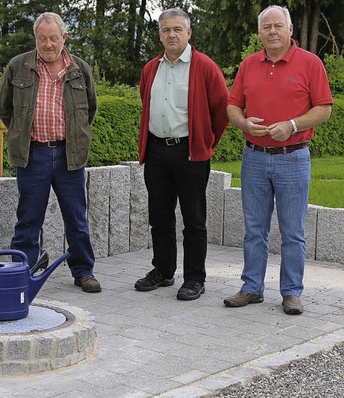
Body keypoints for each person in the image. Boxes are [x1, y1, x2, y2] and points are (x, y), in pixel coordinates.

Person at [223, 5, 333, 314]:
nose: (272, 31)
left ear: (290, 29)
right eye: (266, 27)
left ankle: (291, 292)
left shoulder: (310, 64)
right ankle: (252, 288)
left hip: (293, 158)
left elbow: (324, 108)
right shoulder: (249, 65)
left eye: (278, 26)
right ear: (259, 33)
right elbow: (233, 105)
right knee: (254, 229)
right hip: (254, 158)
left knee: (292, 231)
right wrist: (243, 123)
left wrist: (293, 125)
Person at [0, 12, 100, 293]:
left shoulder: (81, 69)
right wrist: (23, 135)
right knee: (28, 218)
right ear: (36, 38)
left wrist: (74, 138)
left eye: (54, 37)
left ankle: (83, 271)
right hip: (33, 156)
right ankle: (23, 270)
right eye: (42, 38)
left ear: (64, 37)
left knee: (76, 218)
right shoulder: (18, 66)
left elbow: (89, 110)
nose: (48, 43)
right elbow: (5, 109)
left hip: (70, 155)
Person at [135, 8, 229, 300]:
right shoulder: (151, 68)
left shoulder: (204, 67)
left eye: (177, 29)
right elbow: (145, 101)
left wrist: (204, 141)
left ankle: (194, 278)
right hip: (156, 152)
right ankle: (163, 271)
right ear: (160, 34)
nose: (172, 35)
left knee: (193, 219)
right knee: (160, 216)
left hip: (190, 153)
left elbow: (221, 110)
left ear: (189, 33)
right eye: (166, 30)